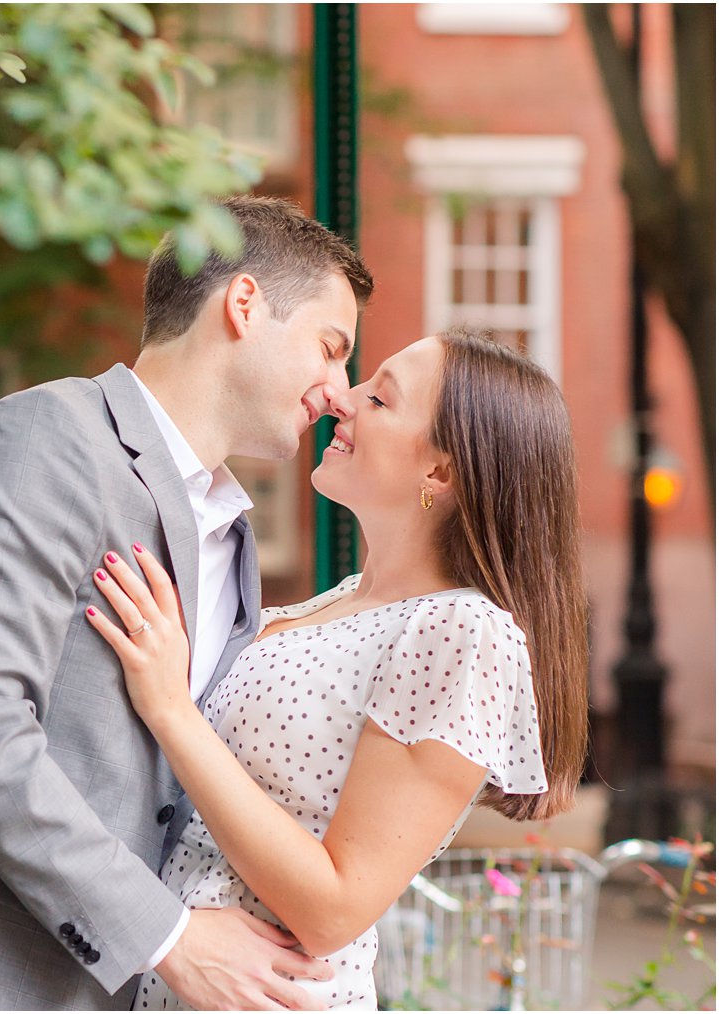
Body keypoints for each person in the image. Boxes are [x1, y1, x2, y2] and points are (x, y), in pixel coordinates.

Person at [0, 196, 373, 1011]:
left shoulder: (233, 542)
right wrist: (170, 937)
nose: (338, 390)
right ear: (244, 305)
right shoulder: (43, 441)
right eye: (330, 347)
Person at [85, 327, 589, 1010]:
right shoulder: (341, 600)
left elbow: (335, 908)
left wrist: (171, 711)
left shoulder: (461, 631)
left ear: (440, 472)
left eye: (380, 400)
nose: (341, 400)